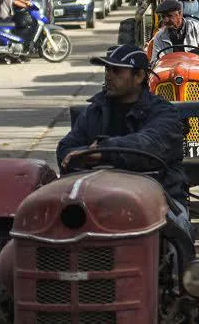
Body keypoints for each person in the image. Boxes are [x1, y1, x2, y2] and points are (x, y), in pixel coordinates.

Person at [56, 44, 190, 235]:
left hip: (160, 197)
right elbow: (66, 148)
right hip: (98, 198)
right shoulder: (95, 111)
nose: (109, 75)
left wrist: (102, 152)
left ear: (139, 76)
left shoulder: (164, 112)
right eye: (107, 69)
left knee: (177, 237)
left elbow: (150, 145)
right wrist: (80, 155)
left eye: (117, 70)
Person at [151, 0, 199, 65]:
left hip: (196, 71)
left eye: (169, 16)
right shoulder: (159, 36)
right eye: (163, 17)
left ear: (180, 14)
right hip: (170, 73)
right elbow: (155, 62)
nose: (165, 20)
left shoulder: (197, 29)